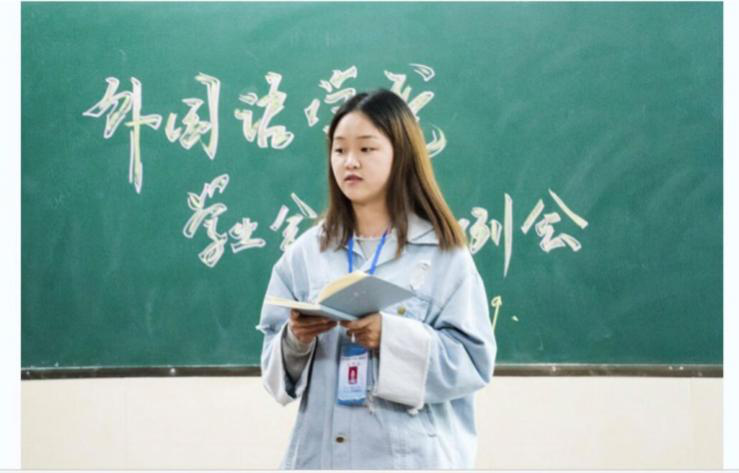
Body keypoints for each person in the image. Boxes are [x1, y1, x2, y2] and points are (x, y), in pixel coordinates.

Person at [256, 89, 496, 469]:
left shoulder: (443, 254)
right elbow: (273, 376)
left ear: (401, 154)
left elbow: (473, 364)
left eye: (366, 149)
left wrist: (391, 337)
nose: (350, 161)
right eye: (339, 150)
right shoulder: (306, 253)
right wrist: (296, 339)